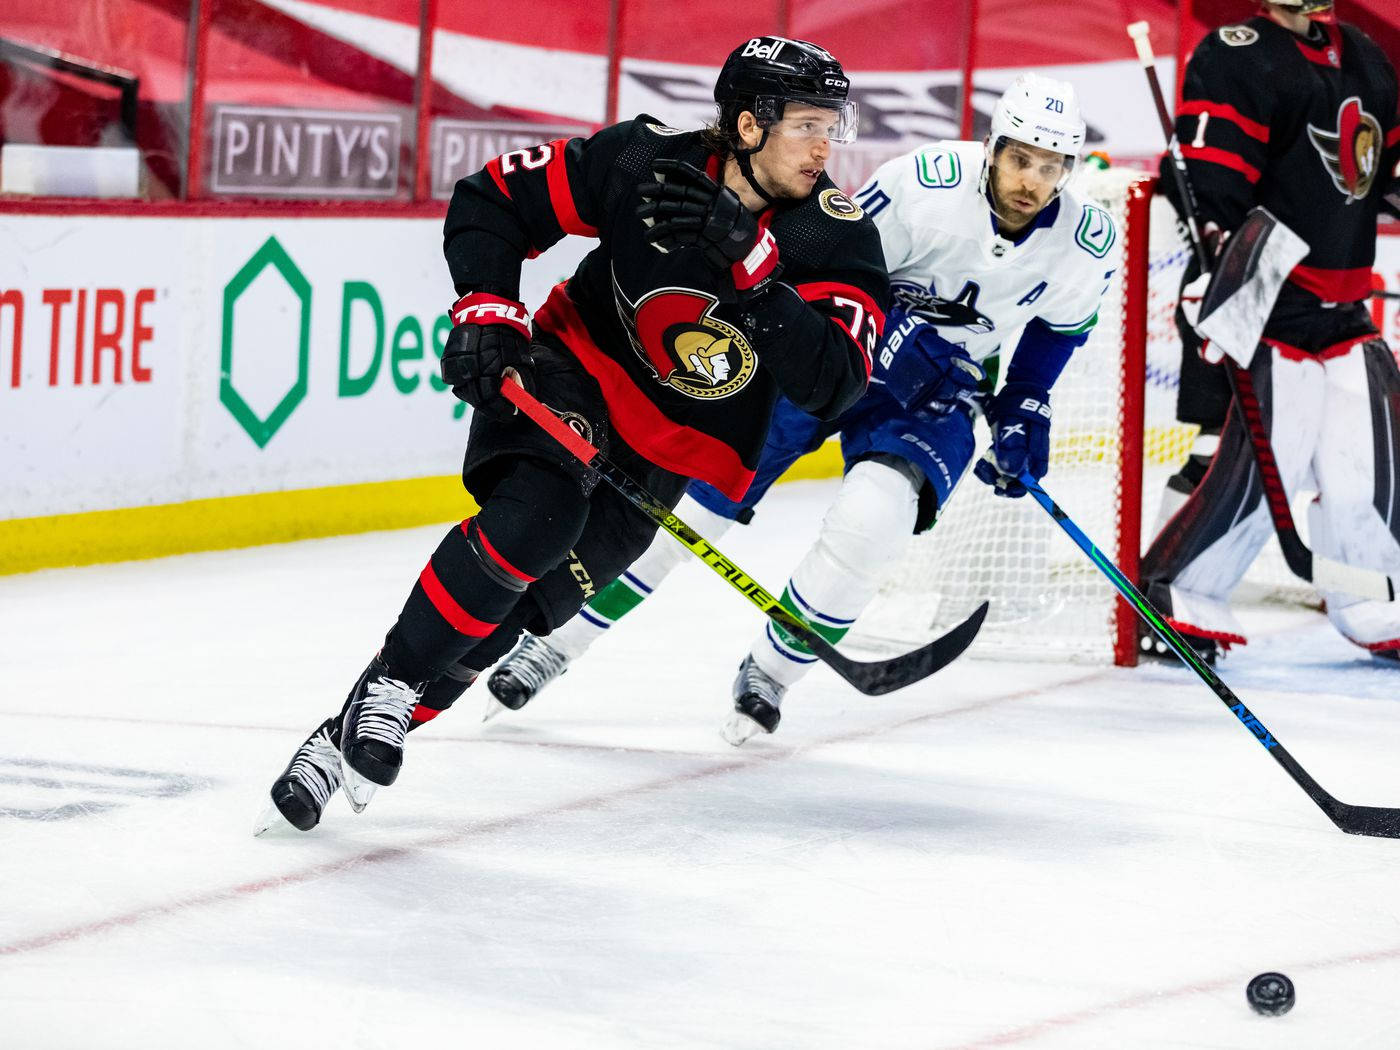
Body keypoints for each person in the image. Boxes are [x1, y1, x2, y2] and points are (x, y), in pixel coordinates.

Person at [255, 36, 889, 833]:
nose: (827, 145)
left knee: (513, 618)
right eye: (808, 124)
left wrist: (755, 266)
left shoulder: (833, 236)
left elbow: (835, 382)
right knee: (536, 521)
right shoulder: (643, 161)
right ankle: (390, 688)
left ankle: (339, 734)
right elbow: (492, 199)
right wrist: (486, 305)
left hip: (668, 452)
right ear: (748, 124)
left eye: (836, 125)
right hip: (572, 373)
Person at [487, 73, 1119, 744]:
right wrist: (893, 334)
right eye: (1021, 158)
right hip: (834, 355)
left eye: (1051, 167)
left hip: (938, 394)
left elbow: (1061, 327)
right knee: (688, 511)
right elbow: (832, 258)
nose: (1032, 179)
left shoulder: (1085, 240)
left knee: (875, 520)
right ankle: (556, 642)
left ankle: (770, 675)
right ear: (992, 148)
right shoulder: (926, 182)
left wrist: (1025, 403)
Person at [1139, 0, 1400, 664]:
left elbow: (1385, 177)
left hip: (1345, 304)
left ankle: (1377, 605)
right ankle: (1178, 600)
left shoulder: (1366, 57)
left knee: (1370, 468)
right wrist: (1218, 271)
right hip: (1266, 302)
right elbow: (1212, 183)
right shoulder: (1234, 53)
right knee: (1258, 471)